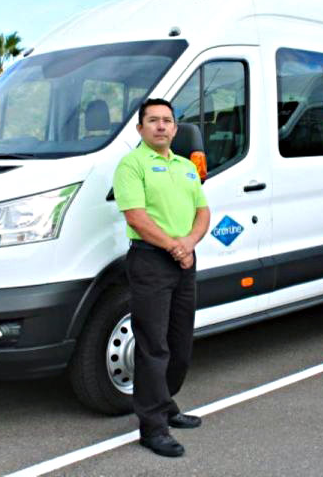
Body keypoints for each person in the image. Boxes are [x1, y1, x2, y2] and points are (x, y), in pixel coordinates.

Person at [112, 98, 211, 458]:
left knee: (180, 342)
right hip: (151, 261)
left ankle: (166, 404)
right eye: (153, 120)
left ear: (175, 128)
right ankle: (153, 427)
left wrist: (188, 243)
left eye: (167, 121)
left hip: (184, 260)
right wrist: (174, 246)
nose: (161, 126)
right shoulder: (131, 165)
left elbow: (203, 210)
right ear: (140, 128)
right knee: (153, 346)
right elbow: (136, 217)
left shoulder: (186, 167)